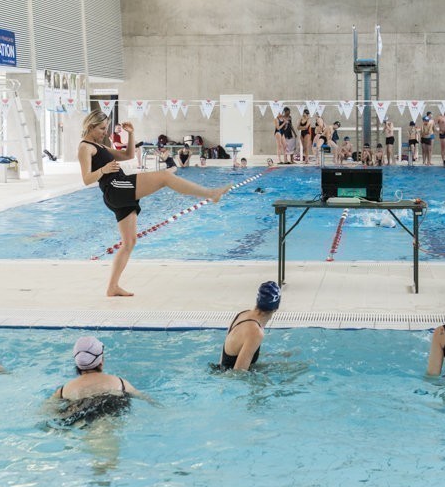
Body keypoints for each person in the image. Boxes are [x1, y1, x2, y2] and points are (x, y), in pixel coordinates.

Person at [78, 110, 231, 297]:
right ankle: (210, 194)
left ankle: (113, 286)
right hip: (116, 187)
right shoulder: (85, 147)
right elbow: (86, 179)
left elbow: (128, 156)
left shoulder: (97, 146)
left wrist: (131, 133)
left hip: (119, 188)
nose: (105, 132)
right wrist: (103, 169)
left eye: (106, 128)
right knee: (165, 176)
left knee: (129, 242)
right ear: (91, 126)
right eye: (102, 128)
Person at [47, 336, 151, 426]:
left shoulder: (64, 390)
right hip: (111, 410)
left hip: (78, 415)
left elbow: (45, 411)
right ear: (101, 361)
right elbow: (146, 399)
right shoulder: (119, 383)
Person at [217, 281, 280, 371]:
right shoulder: (255, 332)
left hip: (220, 372)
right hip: (230, 379)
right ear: (276, 308)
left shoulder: (242, 314)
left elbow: (223, 361)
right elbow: (238, 372)